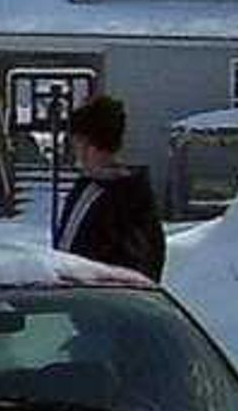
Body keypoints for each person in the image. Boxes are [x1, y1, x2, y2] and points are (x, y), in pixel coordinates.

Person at [52, 92, 168, 280]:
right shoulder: (138, 194)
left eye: (75, 143)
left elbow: (66, 259)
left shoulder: (93, 195)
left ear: (86, 144)